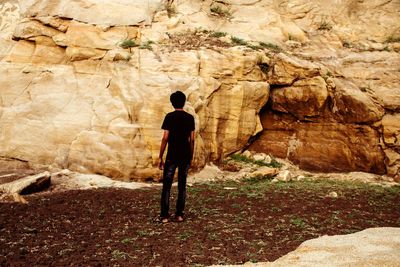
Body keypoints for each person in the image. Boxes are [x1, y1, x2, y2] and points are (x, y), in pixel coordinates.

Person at [158, 91, 195, 223]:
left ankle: (165, 216)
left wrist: (160, 156)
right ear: (184, 102)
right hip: (185, 155)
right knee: (182, 185)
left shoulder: (169, 117)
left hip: (171, 155)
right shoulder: (190, 118)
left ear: (172, 103)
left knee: (167, 185)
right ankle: (179, 215)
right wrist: (191, 156)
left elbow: (165, 138)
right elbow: (192, 139)